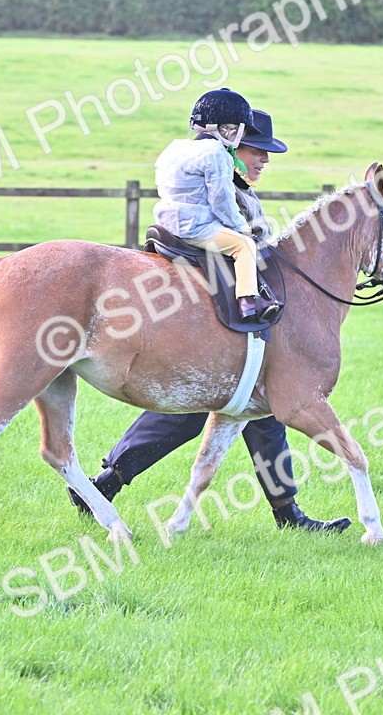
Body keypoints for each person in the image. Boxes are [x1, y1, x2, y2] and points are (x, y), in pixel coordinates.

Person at [69, 108, 352, 533]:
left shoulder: (235, 182)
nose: (265, 159)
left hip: (221, 274)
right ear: (234, 147)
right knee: (200, 405)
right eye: (258, 150)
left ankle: (286, 511)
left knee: (264, 405)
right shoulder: (222, 177)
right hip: (204, 280)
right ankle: (109, 480)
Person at [153, 88, 281, 324]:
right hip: (196, 225)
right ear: (227, 129)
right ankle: (248, 301)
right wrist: (242, 228)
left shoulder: (176, 147)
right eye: (239, 130)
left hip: (166, 220)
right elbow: (222, 202)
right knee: (244, 246)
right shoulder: (216, 153)